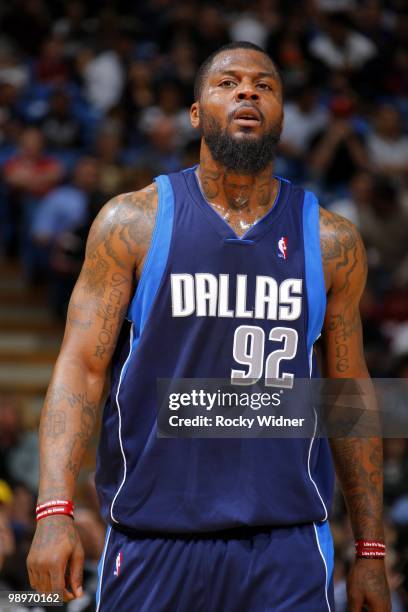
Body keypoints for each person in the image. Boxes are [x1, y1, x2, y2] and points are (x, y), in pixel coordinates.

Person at [27, 42, 391, 612]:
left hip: (288, 544)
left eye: (264, 85)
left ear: (280, 115)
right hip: (154, 538)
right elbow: (82, 367)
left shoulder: (332, 241)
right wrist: (53, 511)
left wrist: (370, 548)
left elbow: (347, 392)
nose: (248, 91)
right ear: (195, 114)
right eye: (228, 82)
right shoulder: (134, 221)